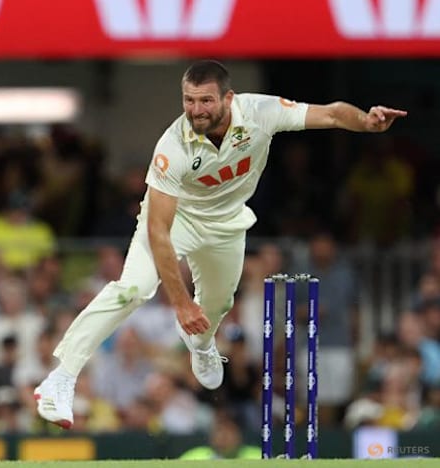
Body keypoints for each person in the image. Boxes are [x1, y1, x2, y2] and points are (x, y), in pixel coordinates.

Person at [34, 60, 407, 429]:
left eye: (206, 101)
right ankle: (62, 377)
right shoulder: (172, 146)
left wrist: (366, 122)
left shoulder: (259, 112)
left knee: (219, 303)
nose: (196, 110)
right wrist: (180, 302)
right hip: (176, 221)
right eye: (189, 100)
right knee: (132, 288)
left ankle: (201, 345)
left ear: (228, 98)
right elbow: (158, 230)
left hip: (227, 224)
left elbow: (329, 114)